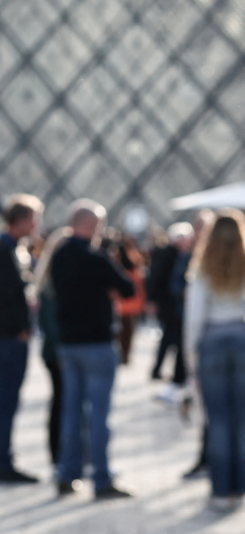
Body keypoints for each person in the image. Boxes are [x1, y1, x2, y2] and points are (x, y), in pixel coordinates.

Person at [51, 200, 135, 499]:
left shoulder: (59, 256)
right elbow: (128, 288)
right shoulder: (96, 259)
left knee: (72, 412)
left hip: (69, 344)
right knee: (99, 414)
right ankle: (101, 477)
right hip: (97, 343)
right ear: (92, 225)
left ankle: (67, 472)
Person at [183, 211, 245, 512]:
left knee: (217, 421)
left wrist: (191, 358)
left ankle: (220, 490)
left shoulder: (203, 269)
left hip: (212, 346)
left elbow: (194, 319)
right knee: (242, 421)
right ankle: (239, 487)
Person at [0, 194, 43, 483]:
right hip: (7, 339)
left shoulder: (8, 249)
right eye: (34, 219)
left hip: (3, 337)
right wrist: (20, 326)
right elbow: (3, 296)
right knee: (3, 401)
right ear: (21, 220)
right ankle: (0, 461)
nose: (36, 225)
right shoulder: (3, 251)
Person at [33, 228, 72, 469]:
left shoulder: (49, 281)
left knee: (62, 400)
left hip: (57, 351)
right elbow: (51, 325)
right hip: (58, 353)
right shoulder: (51, 285)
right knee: (61, 401)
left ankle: (61, 451)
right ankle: (58, 452)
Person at [149, 222, 194, 393]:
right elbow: (157, 278)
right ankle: (172, 374)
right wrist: (154, 300)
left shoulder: (179, 254)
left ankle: (165, 371)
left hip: (171, 305)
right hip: (169, 305)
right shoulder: (169, 255)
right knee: (172, 338)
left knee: (169, 339)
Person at [115, 237, 146, 365]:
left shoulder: (126, 255)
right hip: (126, 303)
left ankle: (124, 355)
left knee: (125, 331)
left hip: (126, 303)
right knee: (126, 331)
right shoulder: (125, 257)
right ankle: (124, 356)